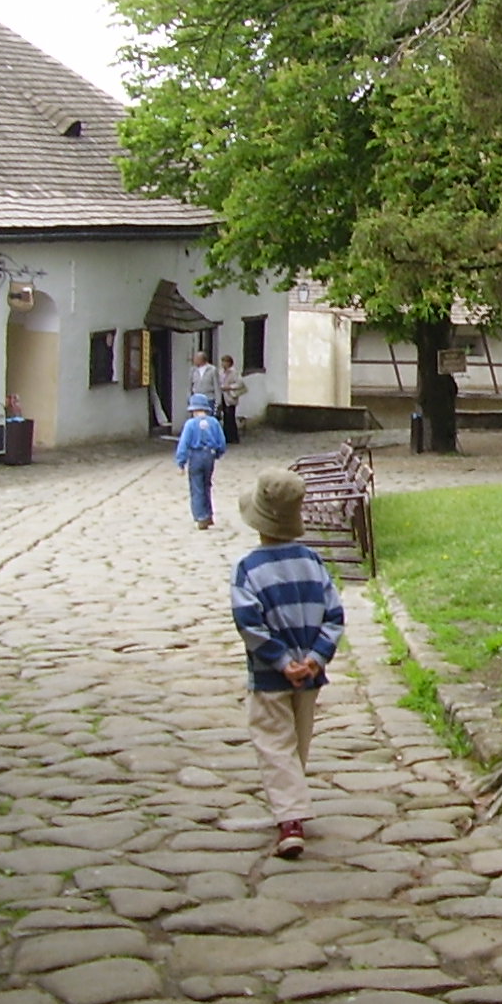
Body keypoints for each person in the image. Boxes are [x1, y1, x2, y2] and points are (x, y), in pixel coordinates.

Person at [231, 468, 344, 858]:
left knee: (273, 743)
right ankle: (290, 803)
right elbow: (334, 615)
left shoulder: (249, 569)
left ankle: (290, 818)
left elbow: (248, 623)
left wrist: (281, 660)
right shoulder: (313, 562)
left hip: (269, 676)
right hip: (310, 676)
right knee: (298, 741)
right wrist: (315, 658)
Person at [174, 394, 227, 529]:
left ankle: (201, 516)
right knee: (206, 485)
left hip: (196, 456)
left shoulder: (190, 424)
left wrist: (181, 462)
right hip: (209, 455)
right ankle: (209, 514)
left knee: (196, 487)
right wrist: (218, 453)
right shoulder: (214, 422)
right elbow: (221, 441)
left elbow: (184, 444)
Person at [218, 354, 247, 445]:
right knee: (225, 417)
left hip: (230, 396)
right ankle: (226, 436)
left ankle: (233, 437)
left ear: (229, 363)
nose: (223, 364)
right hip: (223, 396)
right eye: (222, 362)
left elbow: (240, 384)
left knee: (230, 416)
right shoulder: (221, 372)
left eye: (225, 362)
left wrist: (229, 387)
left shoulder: (234, 372)